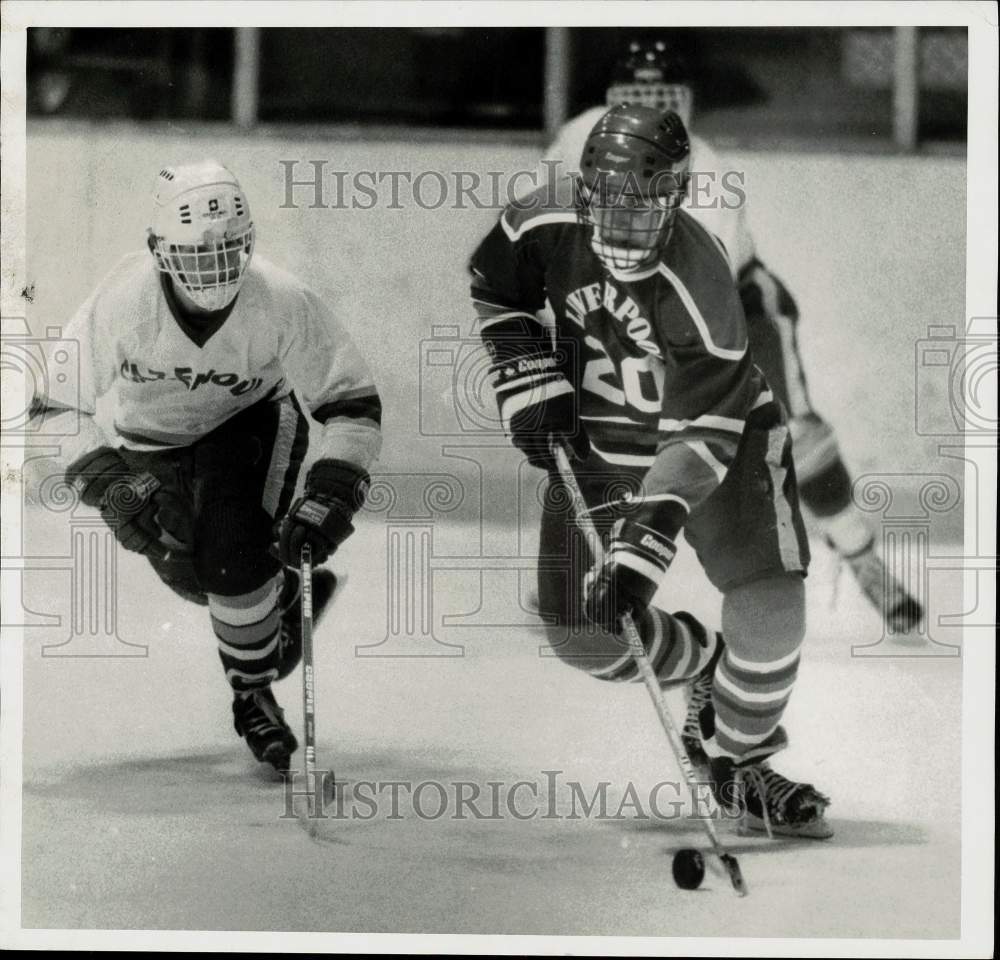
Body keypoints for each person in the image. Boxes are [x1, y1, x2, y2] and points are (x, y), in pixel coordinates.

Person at [470, 103, 831, 838]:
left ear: (678, 193)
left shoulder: (704, 284)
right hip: (600, 447)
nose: (627, 224)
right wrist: (525, 372)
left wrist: (640, 553)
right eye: (610, 203)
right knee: (582, 636)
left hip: (719, 443)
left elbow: (699, 435)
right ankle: (705, 667)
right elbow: (496, 285)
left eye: (648, 206)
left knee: (770, 603)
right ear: (583, 189)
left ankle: (742, 759)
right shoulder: (538, 222)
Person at [541, 38, 922, 634]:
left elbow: (700, 297)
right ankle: (577, 571)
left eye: (663, 98)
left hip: (737, 306)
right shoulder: (577, 138)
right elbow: (547, 229)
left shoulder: (707, 171)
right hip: (629, 302)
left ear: (688, 105)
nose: (650, 113)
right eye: (636, 98)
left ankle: (861, 556)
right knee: (604, 424)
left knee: (796, 430)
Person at [30, 160, 382, 774]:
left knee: (232, 554)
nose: (216, 271)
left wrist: (335, 486)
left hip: (249, 425)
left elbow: (351, 402)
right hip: (150, 441)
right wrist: (106, 480)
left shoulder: (282, 300)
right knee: (197, 577)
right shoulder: (122, 302)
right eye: (198, 254)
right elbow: (52, 404)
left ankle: (250, 695)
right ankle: (282, 603)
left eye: (229, 251)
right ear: (156, 250)